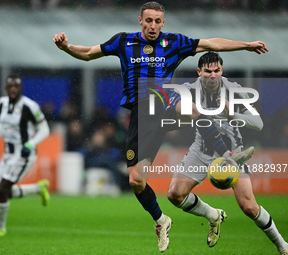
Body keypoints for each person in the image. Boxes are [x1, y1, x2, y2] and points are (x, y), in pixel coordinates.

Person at [53, 1, 268, 252]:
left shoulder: (174, 42)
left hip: (164, 103)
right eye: (149, 20)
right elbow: (88, 53)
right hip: (142, 117)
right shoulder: (123, 42)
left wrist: (246, 45)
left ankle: (228, 156)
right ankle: (164, 220)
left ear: (163, 23)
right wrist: (66, 47)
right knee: (136, 180)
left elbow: (211, 43)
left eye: (157, 21)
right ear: (140, 21)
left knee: (194, 111)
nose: (153, 25)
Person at [167, 52, 288, 255]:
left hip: (232, 155)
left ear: (221, 71)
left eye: (216, 71)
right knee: (174, 194)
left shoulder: (234, 90)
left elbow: (258, 124)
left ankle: (282, 245)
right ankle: (213, 215)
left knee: (249, 207)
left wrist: (234, 115)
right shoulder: (190, 90)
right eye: (207, 71)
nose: (212, 76)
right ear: (199, 72)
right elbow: (171, 103)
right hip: (201, 150)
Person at [0, 74, 51, 237]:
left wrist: (30, 144)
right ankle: (38, 188)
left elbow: (45, 130)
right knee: (5, 192)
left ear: (21, 88)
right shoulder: (2, 102)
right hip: (8, 153)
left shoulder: (30, 106)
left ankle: (0, 228)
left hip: (24, 154)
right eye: (10, 86)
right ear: (6, 88)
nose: (13, 89)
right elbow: (3, 123)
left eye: (16, 86)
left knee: (1, 190)